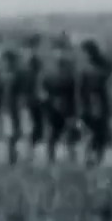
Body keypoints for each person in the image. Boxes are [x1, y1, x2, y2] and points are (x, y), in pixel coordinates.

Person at [41, 35, 80, 163]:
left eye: (63, 50)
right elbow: (41, 89)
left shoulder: (71, 71)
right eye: (57, 50)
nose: (60, 54)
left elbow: (76, 91)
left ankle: (72, 161)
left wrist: (75, 112)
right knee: (51, 135)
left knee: (70, 137)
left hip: (68, 107)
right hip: (52, 107)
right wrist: (47, 99)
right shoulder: (47, 71)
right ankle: (50, 160)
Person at [76, 40, 112, 166]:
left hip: (98, 104)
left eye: (85, 52)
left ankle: (94, 159)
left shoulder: (95, 68)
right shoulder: (91, 68)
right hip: (93, 105)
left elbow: (82, 90)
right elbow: (80, 91)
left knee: (98, 134)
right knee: (94, 134)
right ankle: (92, 159)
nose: (83, 55)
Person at [0, 48, 26, 165]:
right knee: (8, 134)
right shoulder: (0, 77)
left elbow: (21, 94)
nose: (7, 63)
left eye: (9, 61)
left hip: (15, 110)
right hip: (5, 110)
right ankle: (10, 158)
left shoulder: (17, 77)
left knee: (14, 135)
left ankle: (12, 158)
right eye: (5, 61)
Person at [20, 34, 47, 159]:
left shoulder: (38, 63)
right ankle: (27, 153)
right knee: (28, 127)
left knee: (37, 127)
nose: (31, 51)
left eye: (33, 48)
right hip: (25, 101)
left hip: (36, 101)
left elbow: (41, 81)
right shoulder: (22, 66)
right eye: (29, 48)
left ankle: (31, 152)